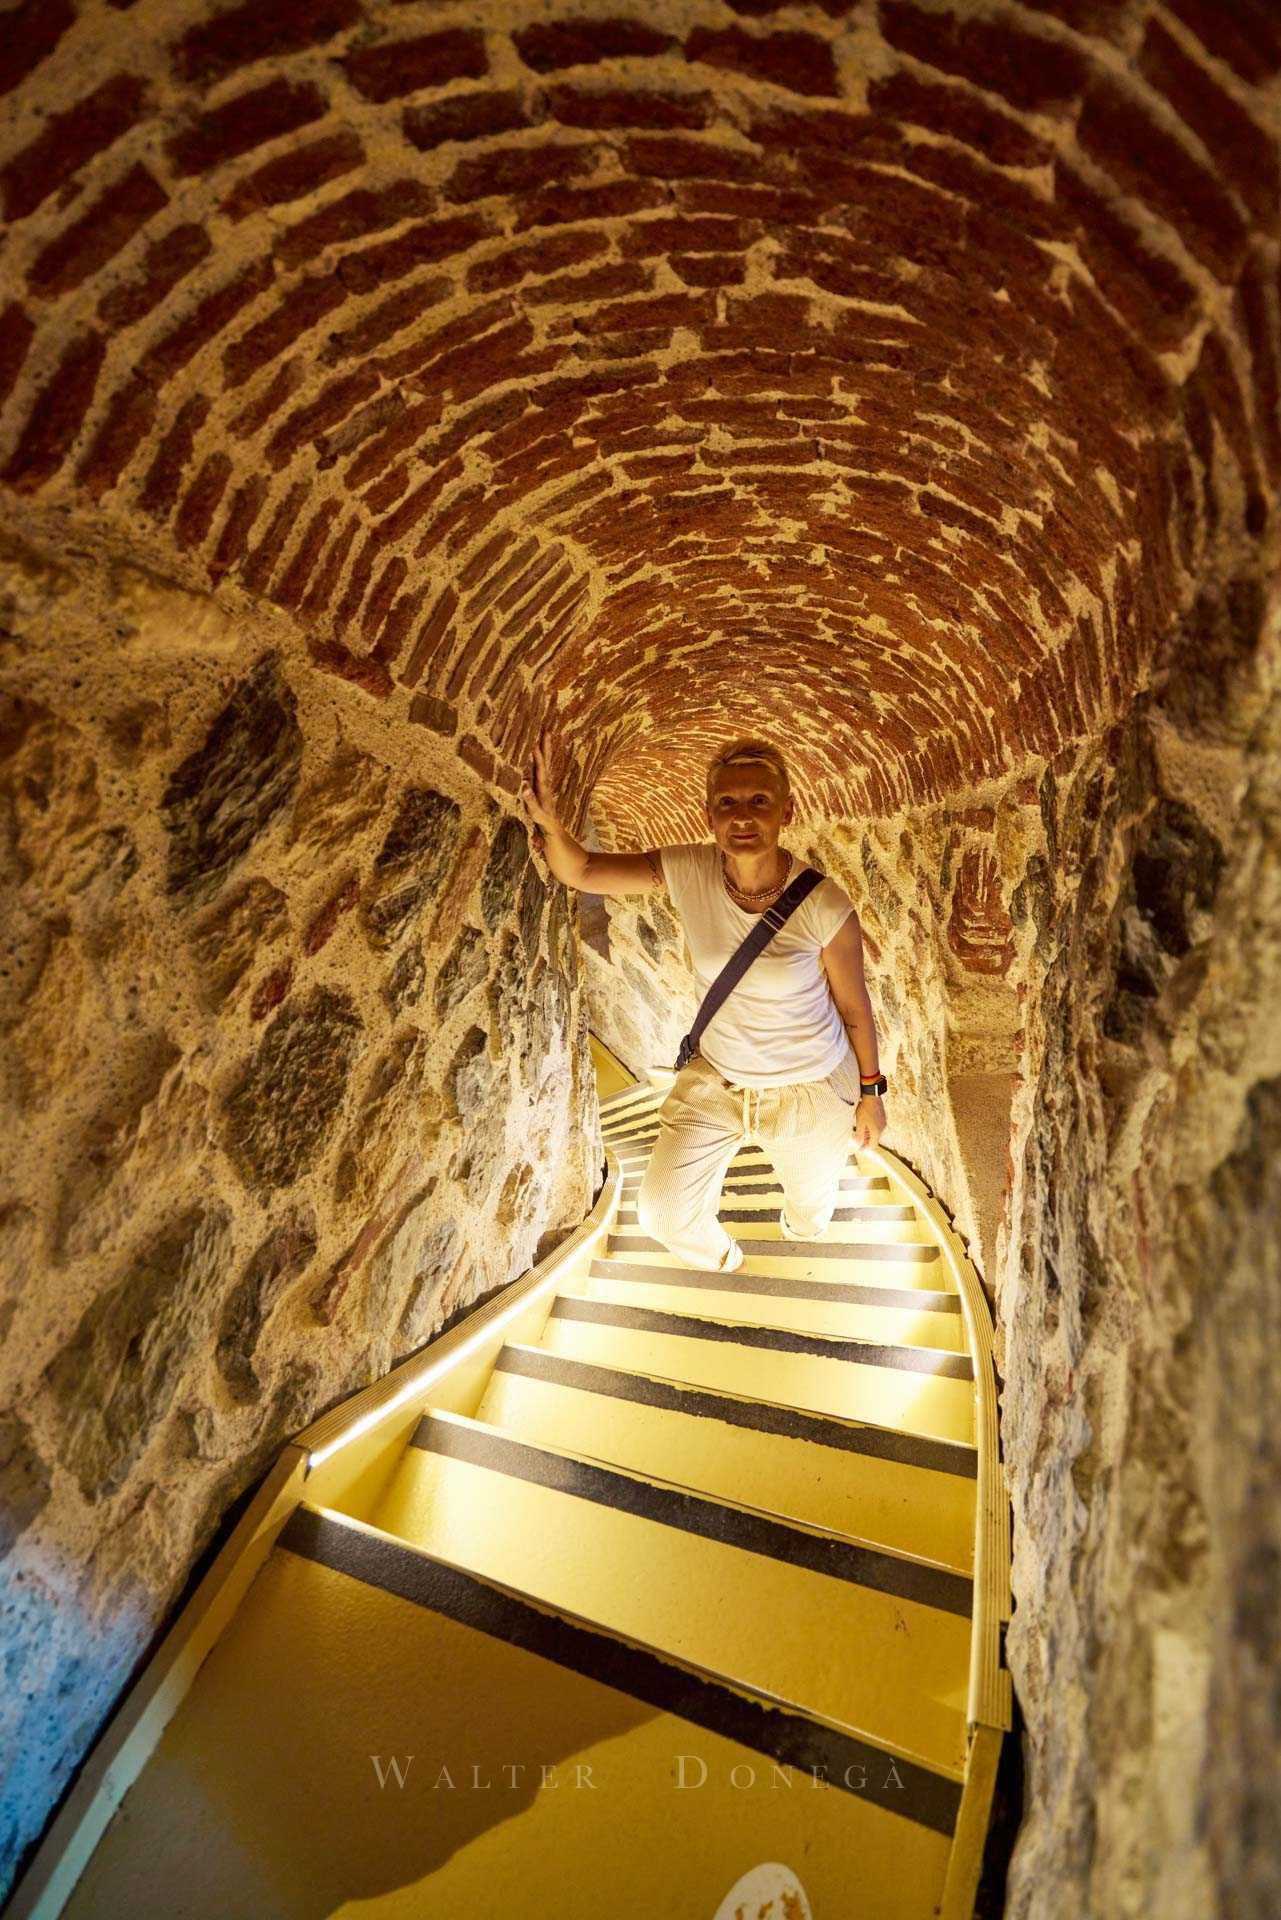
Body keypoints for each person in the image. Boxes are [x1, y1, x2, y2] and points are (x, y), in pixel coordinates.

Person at [519, 731, 888, 1275]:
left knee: (814, 1205)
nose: (743, 815)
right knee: (661, 1213)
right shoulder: (689, 869)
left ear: (786, 810)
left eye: (759, 801)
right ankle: (726, 1261)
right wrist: (553, 826)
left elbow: (854, 1008)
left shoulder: (823, 903)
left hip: (808, 1088)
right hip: (718, 1080)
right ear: (709, 814)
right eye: (728, 803)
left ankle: (798, 1229)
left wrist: (871, 1095)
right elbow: (585, 872)